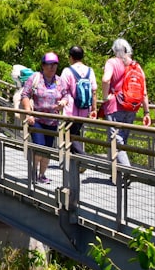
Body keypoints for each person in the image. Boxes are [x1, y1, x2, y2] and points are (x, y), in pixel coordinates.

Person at [101, 38, 151, 168]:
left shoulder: (112, 62)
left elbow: (106, 79)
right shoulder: (136, 66)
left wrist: (105, 97)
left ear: (114, 50)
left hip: (115, 107)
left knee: (116, 141)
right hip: (132, 107)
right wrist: (146, 112)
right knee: (121, 140)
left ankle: (127, 173)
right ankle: (115, 174)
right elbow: (144, 92)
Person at [21, 51, 70, 184]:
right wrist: (28, 113)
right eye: (49, 64)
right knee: (39, 146)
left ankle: (42, 175)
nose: (52, 67)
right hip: (37, 119)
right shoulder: (35, 78)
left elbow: (66, 95)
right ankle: (33, 173)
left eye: (54, 64)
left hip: (53, 120)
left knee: (47, 150)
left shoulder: (59, 81)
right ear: (43, 65)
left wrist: (64, 102)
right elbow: (25, 94)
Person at [60, 46, 98, 157]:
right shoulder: (90, 71)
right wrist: (94, 109)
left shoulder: (67, 71)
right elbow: (94, 91)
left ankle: (83, 158)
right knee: (74, 134)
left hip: (70, 109)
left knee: (68, 135)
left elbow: (62, 90)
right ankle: (76, 162)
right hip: (84, 109)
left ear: (71, 57)